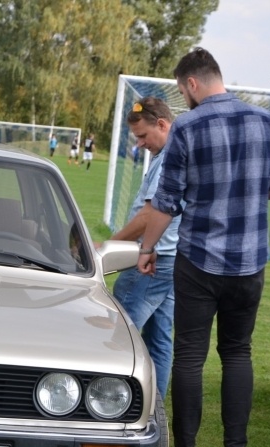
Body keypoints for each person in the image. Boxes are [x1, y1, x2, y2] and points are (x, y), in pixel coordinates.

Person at [136, 48, 270, 447]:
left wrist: (147, 248)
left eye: (181, 89)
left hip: (199, 258)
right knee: (238, 352)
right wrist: (243, 194)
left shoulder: (187, 126)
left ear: (191, 83)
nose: (183, 97)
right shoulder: (269, 121)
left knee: (190, 354)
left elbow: (166, 202)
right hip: (249, 262)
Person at [110, 98, 178, 400]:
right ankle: (155, 415)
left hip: (151, 261)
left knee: (118, 338)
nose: (139, 145)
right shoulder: (176, 152)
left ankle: (113, 413)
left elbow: (151, 215)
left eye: (143, 136)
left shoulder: (169, 159)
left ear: (162, 124)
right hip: (174, 259)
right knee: (159, 343)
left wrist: (114, 243)